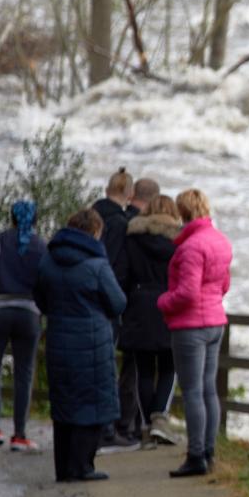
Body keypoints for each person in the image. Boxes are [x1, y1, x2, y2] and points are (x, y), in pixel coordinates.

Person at [35, 208, 126, 483]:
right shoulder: (97, 265)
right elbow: (118, 302)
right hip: (92, 342)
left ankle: (63, 469)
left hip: (59, 339)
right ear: (95, 232)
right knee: (92, 403)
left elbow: (39, 297)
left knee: (64, 404)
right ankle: (83, 466)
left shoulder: (48, 260)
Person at [157, 188, 232, 478]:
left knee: (192, 392)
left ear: (183, 213)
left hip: (191, 326)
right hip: (215, 321)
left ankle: (196, 455)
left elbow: (187, 293)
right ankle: (209, 451)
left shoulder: (190, 248)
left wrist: (162, 302)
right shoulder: (220, 242)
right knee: (209, 389)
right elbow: (224, 285)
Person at [0, 200, 48, 452]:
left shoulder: (0, 239)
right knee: (23, 373)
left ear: (12, 218)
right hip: (28, 313)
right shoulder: (41, 246)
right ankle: (20, 434)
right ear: (35, 220)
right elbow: (48, 278)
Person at [121, 193, 181, 447]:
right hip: (169, 304)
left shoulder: (132, 239)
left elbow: (123, 274)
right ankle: (160, 419)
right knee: (170, 365)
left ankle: (147, 425)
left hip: (139, 304)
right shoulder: (179, 242)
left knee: (143, 369)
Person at [95, 167, 141, 453]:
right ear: (129, 194)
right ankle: (109, 429)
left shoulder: (93, 215)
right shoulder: (120, 222)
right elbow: (116, 264)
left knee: (99, 364)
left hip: (88, 298)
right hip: (110, 301)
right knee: (108, 366)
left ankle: (101, 427)